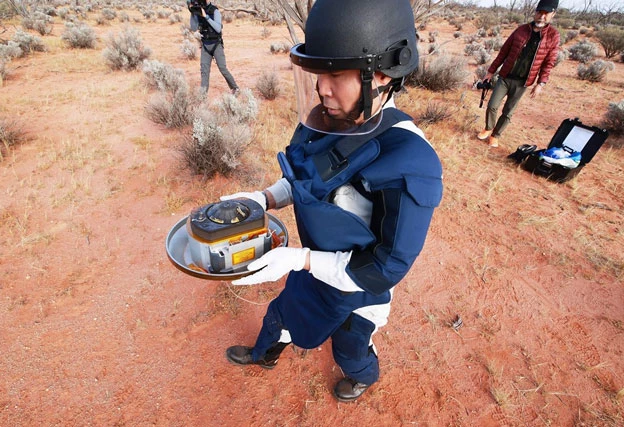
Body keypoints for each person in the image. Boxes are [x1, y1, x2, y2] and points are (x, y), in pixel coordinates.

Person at [220, 0, 443, 402]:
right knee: (282, 312)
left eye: (336, 74)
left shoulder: (410, 160)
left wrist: (300, 259)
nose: (322, 88)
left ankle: (363, 375)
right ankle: (265, 353)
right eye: (318, 73)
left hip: (358, 288)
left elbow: (383, 268)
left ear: (380, 74)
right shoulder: (327, 117)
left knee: (350, 346)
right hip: (314, 264)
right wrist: (265, 197)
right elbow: (305, 180)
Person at [477, 0, 560, 148]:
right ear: (535, 12)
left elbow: (549, 62)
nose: (542, 16)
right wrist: (491, 71)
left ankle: (496, 135)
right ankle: (488, 128)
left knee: (508, 111)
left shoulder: (553, 36)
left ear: (553, 14)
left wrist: (540, 83)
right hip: (505, 76)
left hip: (523, 82)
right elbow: (504, 52)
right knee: (492, 105)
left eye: (546, 13)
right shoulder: (521, 30)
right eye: (539, 12)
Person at [188, 0, 239, 94]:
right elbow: (194, 28)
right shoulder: (198, 10)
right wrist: (193, 13)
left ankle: (235, 88)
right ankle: (203, 96)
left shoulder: (214, 11)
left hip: (216, 44)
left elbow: (218, 28)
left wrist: (206, 17)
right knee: (204, 71)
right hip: (205, 45)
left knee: (223, 68)